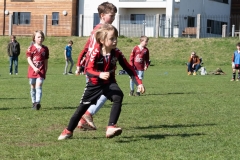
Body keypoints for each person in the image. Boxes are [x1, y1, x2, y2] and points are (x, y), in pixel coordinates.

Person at [58, 24, 145, 140]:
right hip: (94, 85)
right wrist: (99, 74)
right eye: (112, 38)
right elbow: (88, 70)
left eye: (116, 38)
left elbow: (129, 68)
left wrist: (139, 83)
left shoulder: (117, 53)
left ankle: (111, 127)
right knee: (81, 109)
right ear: (102, 40)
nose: (115, 41)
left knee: (118, 96)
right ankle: (68, 131)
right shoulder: (95, 52)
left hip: (109, 83)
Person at [74, 2, 117, 131]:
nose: (113, 18)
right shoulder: (100, 31)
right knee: (105, 93)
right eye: (111, 16)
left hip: (97, 68)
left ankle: (82, 121)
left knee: (99, 94)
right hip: (96, 69)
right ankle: (86, 115)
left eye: (114, 16)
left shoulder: (98, 30)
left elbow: (86, 48)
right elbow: (89, 49)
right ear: (102, 15)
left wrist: (79, 65)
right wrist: (80, 65)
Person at [26, 30, 49, 110]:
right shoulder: (30, 48)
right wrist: (34, 68)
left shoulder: (45, 49)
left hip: (41, 70)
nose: (40, 38)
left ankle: (37, 102)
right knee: (33, 86)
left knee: (39, 85)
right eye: (38, 37)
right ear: (34, 38)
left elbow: (46, 60)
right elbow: (29, 59)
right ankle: (33, 102)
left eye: (42, 37)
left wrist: (45, 70)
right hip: (32, 70)